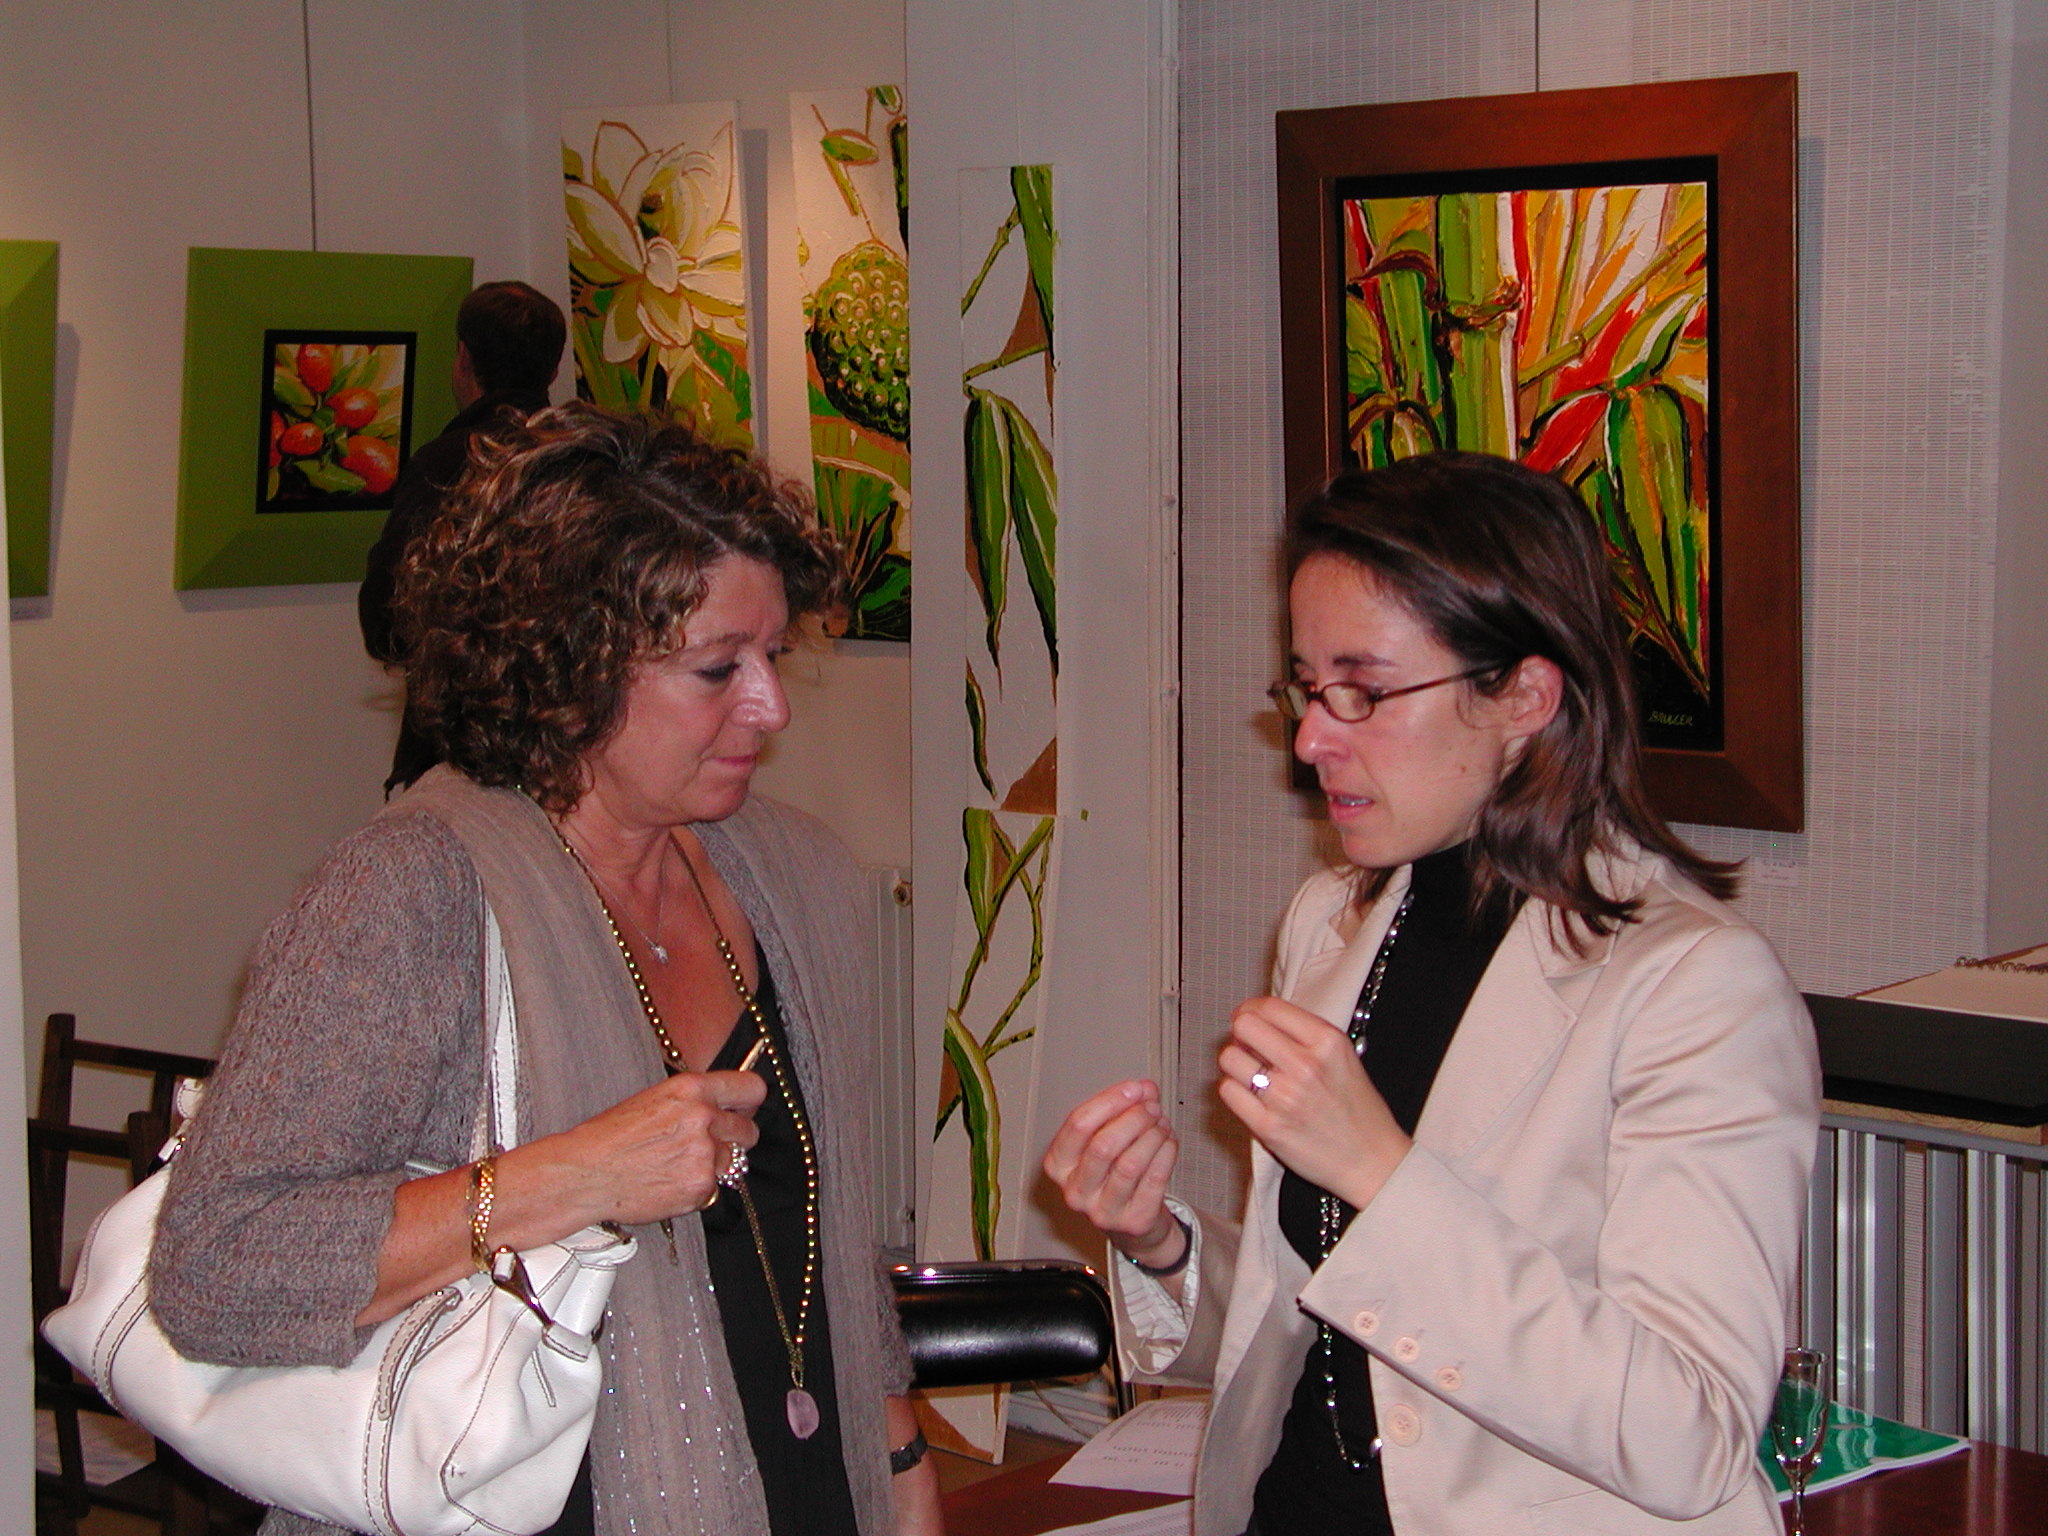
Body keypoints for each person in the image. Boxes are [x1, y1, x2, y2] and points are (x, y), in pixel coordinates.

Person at [155, 404, 942, 1536]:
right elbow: (219, 1266)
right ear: (571, 667)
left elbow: (824, 1235)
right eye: (717, 669)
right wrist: (567, 1178)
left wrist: (900, 1458)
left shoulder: (793, 876)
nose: (769, 707)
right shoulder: (411, 895)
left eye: (774, 657)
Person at [1045, 452, 1819, 1536]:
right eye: (1306, 688)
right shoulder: (1331, 921)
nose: (1310, 738)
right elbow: (1327, 1337)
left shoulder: (1694, 989)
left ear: (1524, 696)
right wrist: (1161, 1244)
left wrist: (1380, 1171)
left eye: (1363, 691)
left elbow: (1686, 1436)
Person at [360, 279, 567, 792]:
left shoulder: (447, 464)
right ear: (553, 369)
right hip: (573, 743)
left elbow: (386, 619)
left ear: (464, 360)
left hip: (461, 748)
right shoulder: (589, 458)